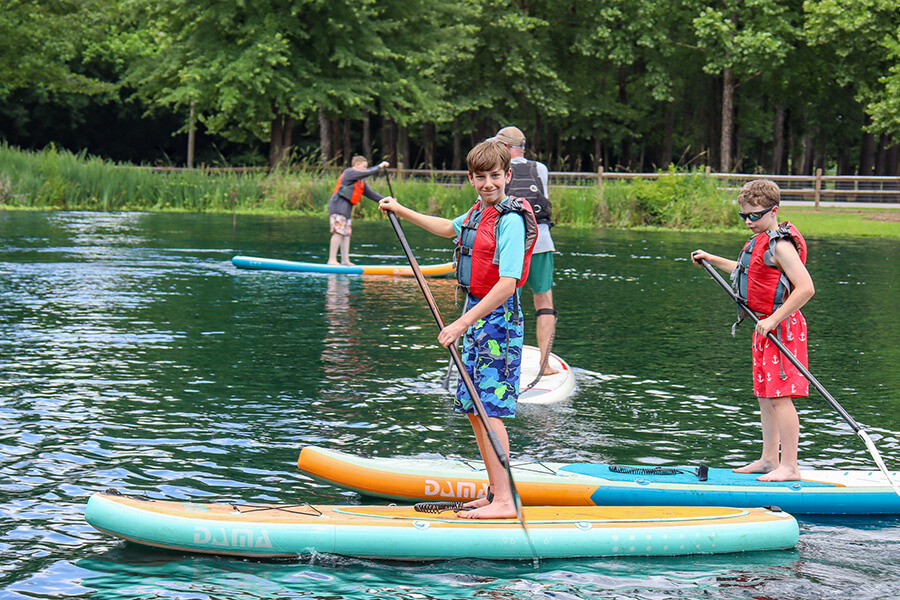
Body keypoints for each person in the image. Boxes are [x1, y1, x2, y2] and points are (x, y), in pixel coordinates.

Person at [379, 140, 537, 518]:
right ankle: (493, 491)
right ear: (471, 178)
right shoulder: (479, 211)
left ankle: (505, 502)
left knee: (489, 409)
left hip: (497, 317)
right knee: (474, 407)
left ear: (507, 176)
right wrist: (401, 209)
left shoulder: (510, 220)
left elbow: (508, 282)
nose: (487, 184)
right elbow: (448, 228)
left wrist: (462, 322)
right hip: (477, 317)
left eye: (495, 176)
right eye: (480, 177)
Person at [691, 179, 815, 482]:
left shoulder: (781, 245)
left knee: (780, 396)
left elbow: (806, 288)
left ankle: (790, 465)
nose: (748, 221)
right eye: (743, 216)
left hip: (781, 326)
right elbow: (745, 271)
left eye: (754, 216)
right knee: (765, 395)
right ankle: (769, 459)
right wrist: (711, 258)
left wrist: (774, 320)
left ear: (773, 211)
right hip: (764, 326)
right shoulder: (759, 240)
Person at [493, 126, 558, 376]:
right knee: (544, 301)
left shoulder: (497, 169)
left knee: (505, 301)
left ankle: (503, 362)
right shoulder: (539, 168)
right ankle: (545, 364)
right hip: (541, 243)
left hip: (511, 246)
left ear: (505, 148)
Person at [327, 156, 390, 265]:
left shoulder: (360, 182)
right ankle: (332, 260)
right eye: (364, 167)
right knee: (338, 232)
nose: (366, 169)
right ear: (356, 165)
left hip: (346, 210)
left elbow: (372, 194)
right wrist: (379, 166)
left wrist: (387, 201)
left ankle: (345, 260)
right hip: (337, 207)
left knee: (346, 234)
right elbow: (367, 173)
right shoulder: (349, 173)